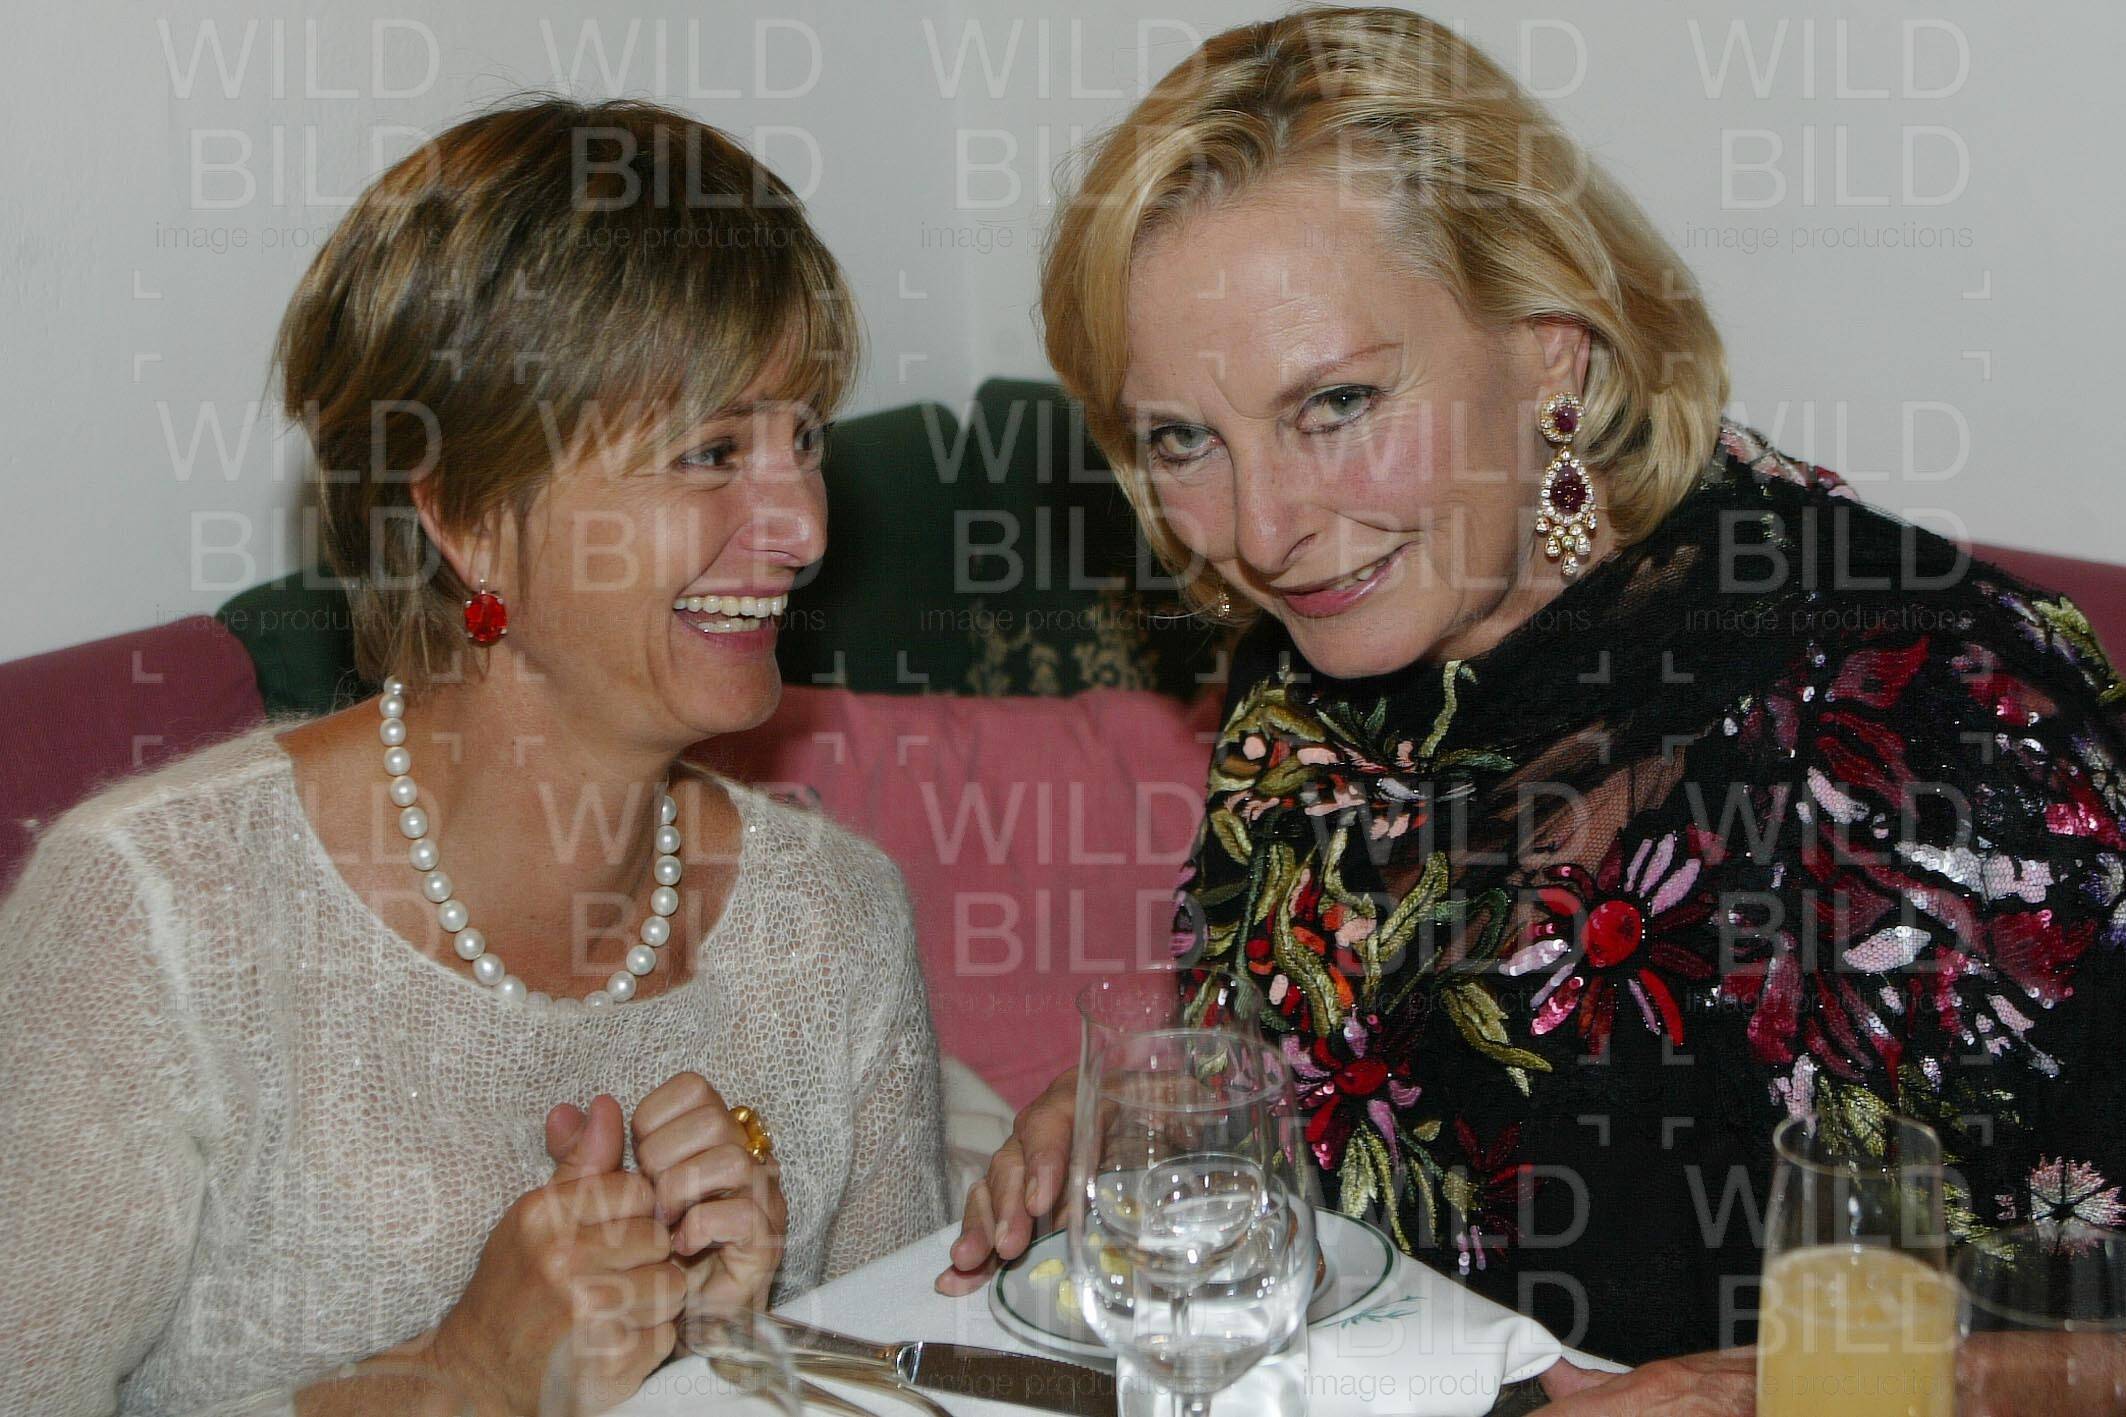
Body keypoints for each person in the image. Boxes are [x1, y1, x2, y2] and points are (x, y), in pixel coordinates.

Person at [941, 10, 2126, 1412]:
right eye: (1185, 439)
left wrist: (1754, 1396)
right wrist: (1169, 1128)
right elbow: (1342, 1089)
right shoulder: (1323, 659)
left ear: (1552, 350)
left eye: (1337, 402)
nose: (1260, 530)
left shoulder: (1932, 711)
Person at [0, 97, 946, 1415]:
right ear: (469, 518)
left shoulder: (834, 924)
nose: (801, 526)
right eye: (712, 452)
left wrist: (746, 1338)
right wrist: (457, 1379)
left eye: (806, 440)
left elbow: (923, 1385)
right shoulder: (160, 918)